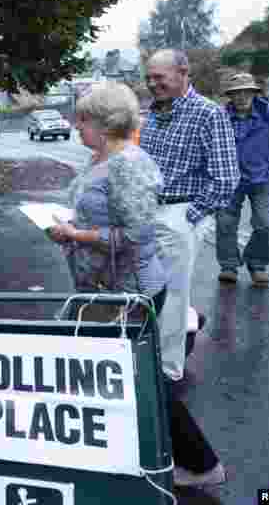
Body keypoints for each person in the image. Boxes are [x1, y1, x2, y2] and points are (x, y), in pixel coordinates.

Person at [46, 82, 226, 487]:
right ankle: (128, 449)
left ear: (107, 123)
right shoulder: (100, 159)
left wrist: (76, 235)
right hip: (106, 289)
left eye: (84, 119)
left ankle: (201, 465)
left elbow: (137, 234)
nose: (77, 125)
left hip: (132, 292)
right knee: (117, 373)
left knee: (141, 377)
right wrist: (70, 228)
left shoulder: (130, 163)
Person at [139, 50, 239, 383]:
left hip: (181, 211)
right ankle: (150, 355)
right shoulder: (151, 115)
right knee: (149, 290)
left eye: (159, 77)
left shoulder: (209, 114)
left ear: (183, 73)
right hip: (148, 210)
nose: (152, 84)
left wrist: (189, 216)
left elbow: (226, 177)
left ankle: (166, 373)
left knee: (171, 297)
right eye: (149, 77)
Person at [215, 72, 269, 288]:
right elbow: (211, 146)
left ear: (253, 93)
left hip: (265, 177)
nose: (241, 97)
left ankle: (257, 264)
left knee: (267, 223)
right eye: (236, 93)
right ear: (230, 96)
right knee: (225, 223)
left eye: (245, 92)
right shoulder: (221, 115)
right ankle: (228, 266)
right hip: (230, 178)